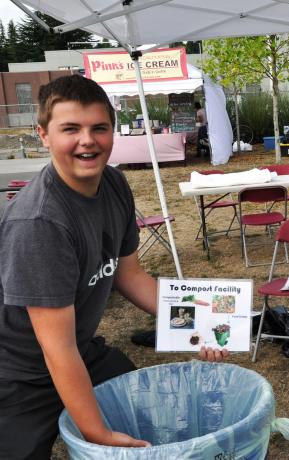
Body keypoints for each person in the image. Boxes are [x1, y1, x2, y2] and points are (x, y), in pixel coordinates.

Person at [0, 75, 229, 459]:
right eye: (70, 128)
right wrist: (97, 433)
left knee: (135, 401)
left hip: (80, 348)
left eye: (99, 128)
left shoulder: (114, 183)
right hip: (19, 373)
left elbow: (129, 274)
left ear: (113, 132)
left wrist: (198, 323)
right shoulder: (39, 222)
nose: (87, 140)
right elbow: (56, 348)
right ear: (43, 135)